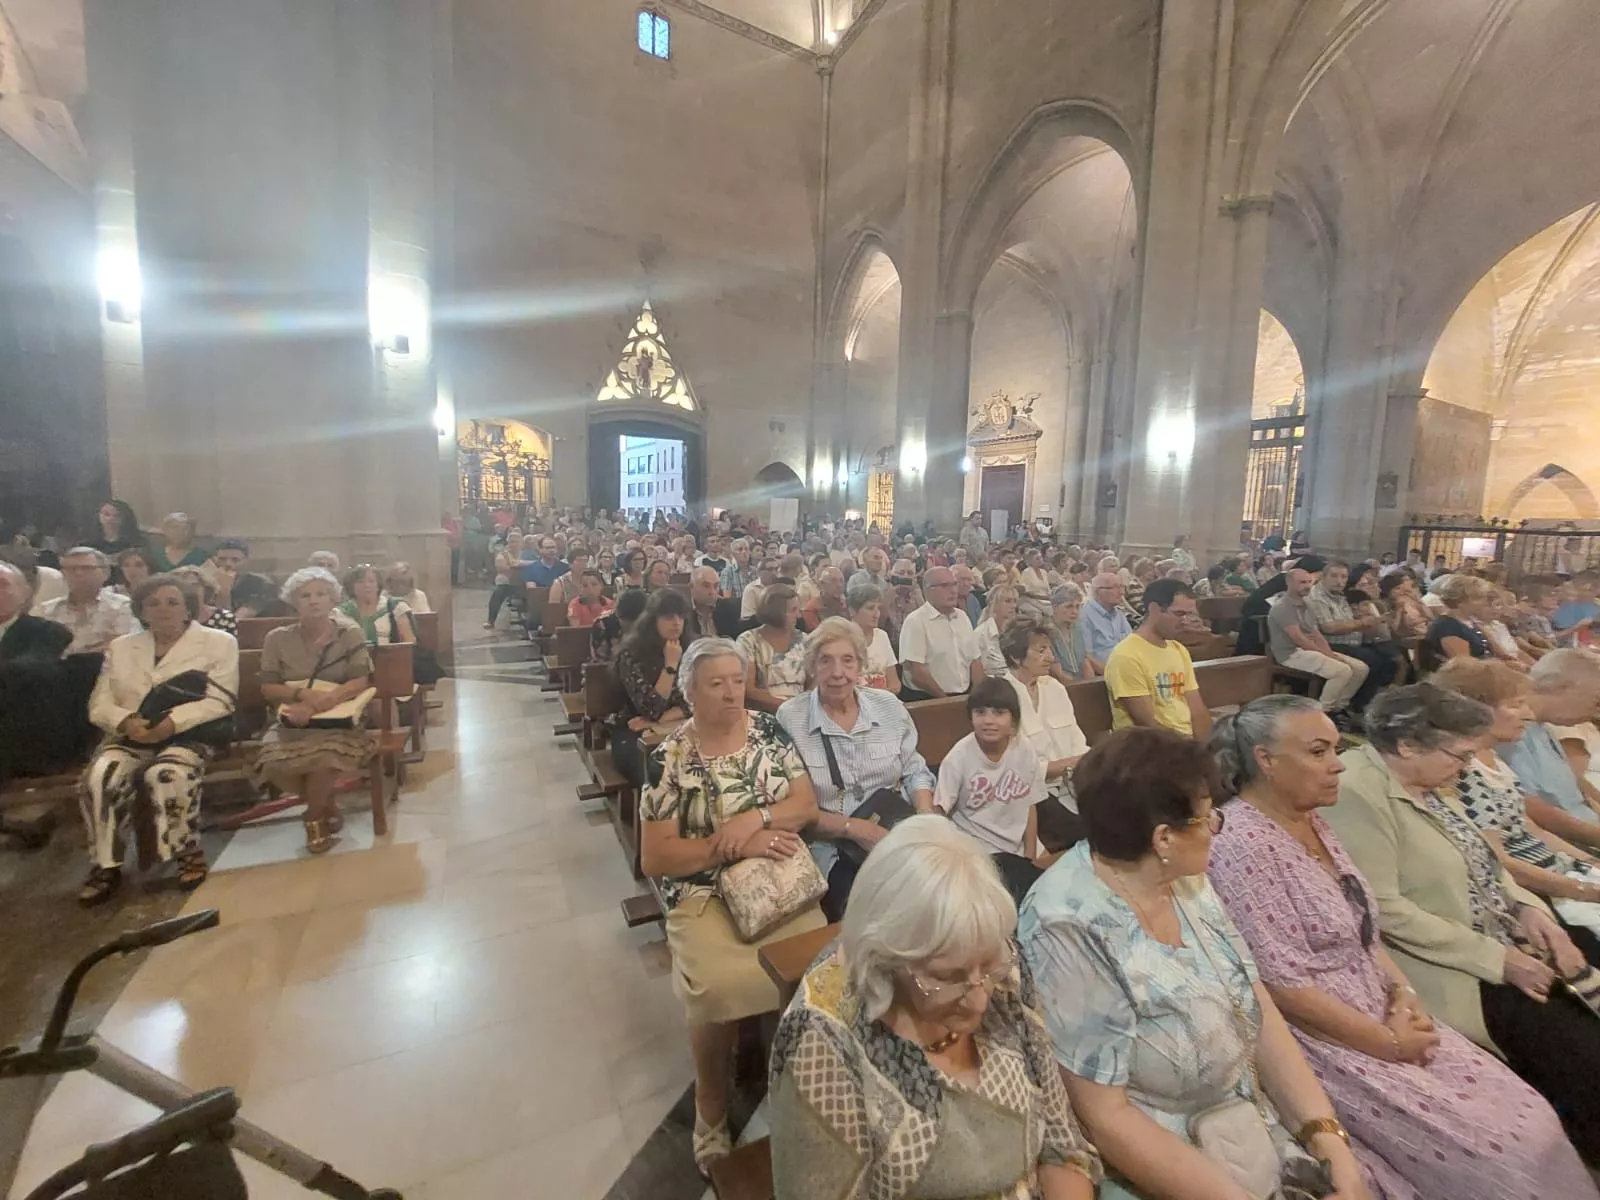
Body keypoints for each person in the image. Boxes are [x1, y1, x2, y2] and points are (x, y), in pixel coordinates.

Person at [1206, 695, 1596, 1199]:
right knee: (1501, 1147)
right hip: (1330, 1036)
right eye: (1319, 752)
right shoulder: (1240, 844)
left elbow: (1366, 928)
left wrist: (1405, 994)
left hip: (1386, 1005)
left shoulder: (1311, 819)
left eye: (1334, 750)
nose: (1337, 763)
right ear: (1266, 760)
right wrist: (1388, 1043)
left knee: (1533, 1116)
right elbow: (1284, 989)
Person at [1019, 727, 1371, 1200]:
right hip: (1163, 1166)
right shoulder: (1067, 922)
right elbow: (1106, 1117)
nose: (1217, 828)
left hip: (1250, 1133)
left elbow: (1254, 1006)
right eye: (1207, 819)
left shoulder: (1184, 879)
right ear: (1163, 838)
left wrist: (1326, 1139)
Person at [1324, 684, 1600, 1158]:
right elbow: (1384, 907)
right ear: (1408, 745)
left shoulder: (1431, 782)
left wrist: (1529, 909)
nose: (1468, 765)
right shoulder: (1356, 793)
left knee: (1585, 958)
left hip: (1500, 935)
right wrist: (1500, 959)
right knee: (1584, 1057)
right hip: (1454, 970)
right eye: (1460, 753)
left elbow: (1486, 860)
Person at [769, 816, 1101, 1200]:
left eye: (988, 968)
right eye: (948, 976)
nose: (980, 998)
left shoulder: (994, 960)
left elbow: (1062, 1145)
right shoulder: (822, 1042)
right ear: (888, 958)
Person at [637, 637, 825, 1177]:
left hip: (779, 883)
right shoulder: (668, 758)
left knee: (813, 967)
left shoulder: (768, 733)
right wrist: (735, 843)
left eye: (736, 681)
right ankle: (711, 1111)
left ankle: (800, 1087)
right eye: (715, 684)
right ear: (690, 691)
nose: (730, 693)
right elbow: (656, 856)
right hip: (702, 892)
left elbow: (804, 805)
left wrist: (758, 820)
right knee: (717, 991)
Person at [78, 575, 239, 905]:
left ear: (187, 608)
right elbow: (99, 702)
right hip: (131, 734)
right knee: (101, 775)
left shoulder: (217, 642)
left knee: (166, 774)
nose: (163, 610)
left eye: (172, 602)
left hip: (189, 733)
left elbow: (221, 700)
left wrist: (170, 724)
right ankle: (106, 863)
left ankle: (185, 850)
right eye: (153, 604)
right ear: (141, 611)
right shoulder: (122, 647)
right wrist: (125, 721)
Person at [776, 617, 934, 919]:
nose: (838, 673)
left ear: (860, 664)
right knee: (877, 913)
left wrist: (925, 818)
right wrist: (853, 829)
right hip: (832, 849)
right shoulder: (792, 717)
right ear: (812, 666)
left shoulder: (888, 706)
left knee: (935, 899)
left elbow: (915, 770)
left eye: (847, 661)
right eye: (826, 661)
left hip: (894, 834)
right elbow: (792, 807)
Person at [1434, 657, 1600, 931]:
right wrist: (1584, 888)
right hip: (1539, 892)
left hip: (1560, 868)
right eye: (1516, 705)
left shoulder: (1496, 759)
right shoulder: (1461, 771)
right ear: (1477, 711)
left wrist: (1590, 864)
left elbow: (1532, 827)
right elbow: (1499, 863)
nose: (1529, 713)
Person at [252, 568, 375, 855]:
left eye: (321, 594)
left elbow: (360, 680)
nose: (314, 601)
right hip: (292, 719)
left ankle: (313, 818)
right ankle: (326, 802)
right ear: (293, 602)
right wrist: (302, 695)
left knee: (323, 760)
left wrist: (327, 700)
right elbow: (268, 687)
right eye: (305, 595)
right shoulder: (277, 638)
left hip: (340, 717)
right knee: (275, 765)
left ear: (333, 598)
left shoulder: (349, 632)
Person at [932, 676, 1053, 903]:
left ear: (1014, 721)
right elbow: (938, 815)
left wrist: (1029, 855)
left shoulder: (1024, 749)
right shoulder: (958, 758)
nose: (988, 720)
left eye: (998, 713)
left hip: (1020, 846)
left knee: (1051, 890)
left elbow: (1030, 805)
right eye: (980, 713)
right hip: (979, 852)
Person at [1498, 647, 1600, 851]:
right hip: (1572, 847)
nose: (1595, 712)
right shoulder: (1511, 732)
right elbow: (1532, 808)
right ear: (1561, 688)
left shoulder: (1544, 728)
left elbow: (1575, 790)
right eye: (1596, 701)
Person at [1104, 578, 1211, 740]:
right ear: (1154, 609)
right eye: (1179, 614)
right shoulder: (1126, 655)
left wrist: (1206, 747)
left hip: (1185, 746)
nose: (1185, 621)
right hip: (1149, 749)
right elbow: (1148, 724)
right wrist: (1190, 750)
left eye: (1189, 614)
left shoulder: (1178, 649)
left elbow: (1197, 710)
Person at [1269, 561, 1369, 721]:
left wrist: (1329, 653)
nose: (1307, 586)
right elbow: (1298, 638)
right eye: (1302, 582)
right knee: (1342, 671)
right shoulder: (1282, 607)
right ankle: (1322, 713)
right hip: (1290, 653)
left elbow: (1316, 634)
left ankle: (1339, 707)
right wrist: (1324, 654)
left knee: (1360, 668)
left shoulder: (1307, 605)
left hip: (1308, 649)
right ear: (1289, 583)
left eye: (1309, 582)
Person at [613, 588, 693, 788]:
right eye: (668, 617)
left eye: (680, 616)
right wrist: (670, 665)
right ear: (652, 620)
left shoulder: (693, 648)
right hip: (633, 732)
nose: (676, 622)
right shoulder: (630, 654)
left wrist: (662, 718)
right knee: (661, 777)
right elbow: (651, 708)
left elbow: (701, 700)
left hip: (679, 725)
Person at [1303, 560, 1398, 712]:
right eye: (1334, 576)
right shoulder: (1316, 598)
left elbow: (1350, 622)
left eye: (1343, 577)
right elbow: (1329, 628)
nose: (1339, 581)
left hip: (1350, 641)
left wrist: (1372, 622)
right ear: (1323, 577)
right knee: (1372, 660)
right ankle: (1357, 706)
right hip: (1326, 644)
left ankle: (1365, 701)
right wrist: (1362, 622)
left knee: (1388, 658)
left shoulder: (1339, 596)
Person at [897, 566, 980, 700]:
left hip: (965, 695)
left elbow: (974, 660)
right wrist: (946, 701)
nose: (953, 590)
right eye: (945, 586)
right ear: (928, 590)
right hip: (928, 698)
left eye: (954, 584)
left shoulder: (962, 617)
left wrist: (977, 696)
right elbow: (917, 672)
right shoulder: (916, 621)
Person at [37, 547, 138, 655]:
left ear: (106, 573)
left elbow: (122, 644)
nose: (78, 573)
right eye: (71, 569)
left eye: (86, 568)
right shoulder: (45, 610)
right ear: (63, 574)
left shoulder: (122, 606)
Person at [737, 584, 806, 712]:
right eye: (793, 610)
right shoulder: (748, 641)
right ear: (776, 613)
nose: (799, 615)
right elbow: (748, 689)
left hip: (802, 711)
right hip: (764, 713)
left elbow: (813, 684)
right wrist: (786, 706)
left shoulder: (805, 640)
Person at [1422, 573, 1494, 666]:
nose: (1485, 603)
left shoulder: (1472, 622)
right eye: (1478, 598)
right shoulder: (1447, 627)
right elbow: (1463, 666)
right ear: (1460, 601)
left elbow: (1502, 653)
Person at [338, 565, 415, 646]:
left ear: (378, 585)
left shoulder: (396, 608)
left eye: (371, 581)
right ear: (351, 586)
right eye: (360, 581)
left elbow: (409, 644)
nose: (366, 585)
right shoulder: (341, 613)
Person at [845, 580, 899, 694]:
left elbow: (895, 683)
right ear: (852, 611)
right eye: (870, 608)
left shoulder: (882, 636)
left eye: (878, 608)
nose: (876, 614)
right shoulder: (842, 638)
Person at [212, 539, 280, 618]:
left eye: (235, 560)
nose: (228, 564)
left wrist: (224, 590)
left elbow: (234, 620)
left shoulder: (261, 584)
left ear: (246, 562)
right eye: (222, 559)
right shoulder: (206, 584)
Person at [1080, 573, 1132, 674]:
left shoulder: (1119, 613)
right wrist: (1112, 674)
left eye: (1122, 587)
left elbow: (1132, 644)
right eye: (1115, 587)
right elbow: (1087, 657)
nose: (1121, 592)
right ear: (1099, 591)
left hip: (1130, 669)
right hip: (1106, 675)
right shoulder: (1084, 615)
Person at [171, 565, 238, 637]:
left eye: (195, 585)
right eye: (184, 586)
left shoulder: (225, 617)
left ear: (205, 588)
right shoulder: (166, 616)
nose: (190, 590)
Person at [1046, 583, 1091, 683]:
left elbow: (1085, 662)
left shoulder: (1078, 628)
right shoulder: (1046, 631)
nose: (1074, 611)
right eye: (1069, 606)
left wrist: (1091, 684)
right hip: (1059, 685)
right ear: (1054, 608)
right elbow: (1058, 673)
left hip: (1080, 683)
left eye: (1078, 606)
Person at [589, 586, 646, 663]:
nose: (632, 626)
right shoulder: (602, 624)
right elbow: (599, 660)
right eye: (627, 622)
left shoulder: (648, 623)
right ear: (618, 614)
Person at [973, 582, 1019, 677]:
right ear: (993, 604)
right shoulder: (981, 634)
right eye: (1007, 601)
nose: (1013, 605)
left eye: (1014, 601)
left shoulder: (1016, 631)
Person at [147, 512, 211, 574]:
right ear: (165, 530)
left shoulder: (201, 556)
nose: (182, 532)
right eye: (175, 527)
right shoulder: (155, 555)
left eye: (187, 528)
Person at [1377, 571, 1430, 642]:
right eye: (1397, 588)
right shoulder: (1383, 605)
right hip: (1399, 640)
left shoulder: (1406, 600)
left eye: (1402, 588)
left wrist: (1419, 602)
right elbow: (1394, 631)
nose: (1401, 592)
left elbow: (1430, 617)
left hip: (1418, 634)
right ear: (1388, 590)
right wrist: (1399, 611)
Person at [798, 564, 845, 631]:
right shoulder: (811, 609)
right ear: (822, 584)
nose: (839, 585)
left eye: (841, 581)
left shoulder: (846, 604)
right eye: (833, 581)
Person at [739, 556, 779, 621]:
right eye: (770, 569)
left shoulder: (780, 587)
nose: (774, 573)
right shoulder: (751, 589)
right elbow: (747, 618)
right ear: (759, 572)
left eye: (776, 569)